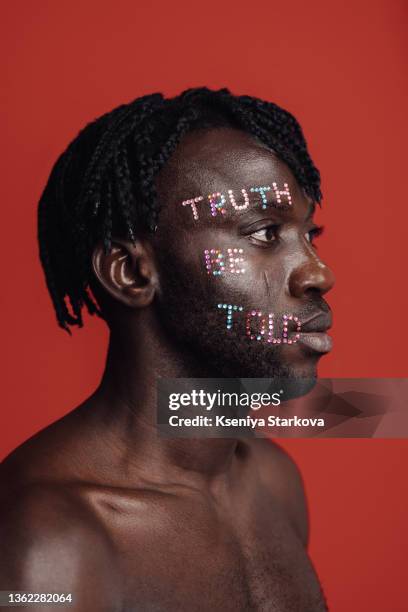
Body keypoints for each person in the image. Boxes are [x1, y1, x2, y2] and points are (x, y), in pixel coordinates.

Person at [0, 88, 334, 611]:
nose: (318, 272)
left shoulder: (272, 483)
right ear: (131, 272)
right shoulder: (48, 544)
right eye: (265, 233)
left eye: (309, 235)